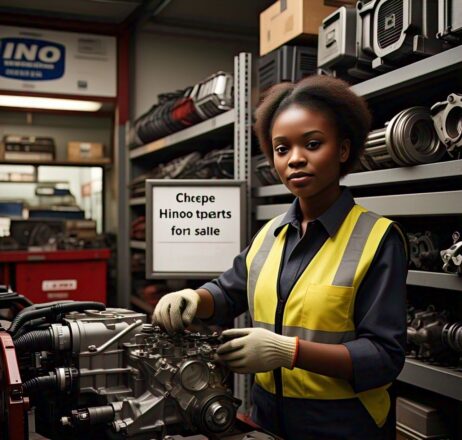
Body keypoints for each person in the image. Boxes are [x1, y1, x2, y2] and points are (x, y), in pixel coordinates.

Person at [152, 75, 408, 440]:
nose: (295, 160)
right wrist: (193, 298)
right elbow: (228, 291)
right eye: (281, 149)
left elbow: (384, 357)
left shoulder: (378, 239)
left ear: (343, 150)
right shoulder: (270, 234)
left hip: (344, 425)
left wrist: (289, 352)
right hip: (268, 420)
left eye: (313, 144)